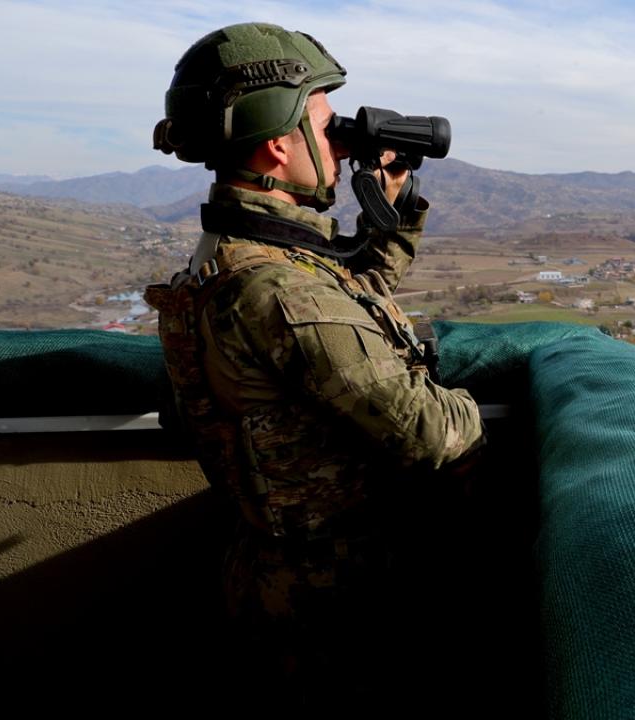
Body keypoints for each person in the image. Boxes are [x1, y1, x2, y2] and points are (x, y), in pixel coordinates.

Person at [145, 23, 484, 695]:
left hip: (285, 576)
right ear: (278, 143)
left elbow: (344, 322)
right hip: (337, 604)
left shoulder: (242, 252)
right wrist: (480, 407)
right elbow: (433, 435)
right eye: (325, 125)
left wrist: (394, 211)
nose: (339, 141)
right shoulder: (276, 288)